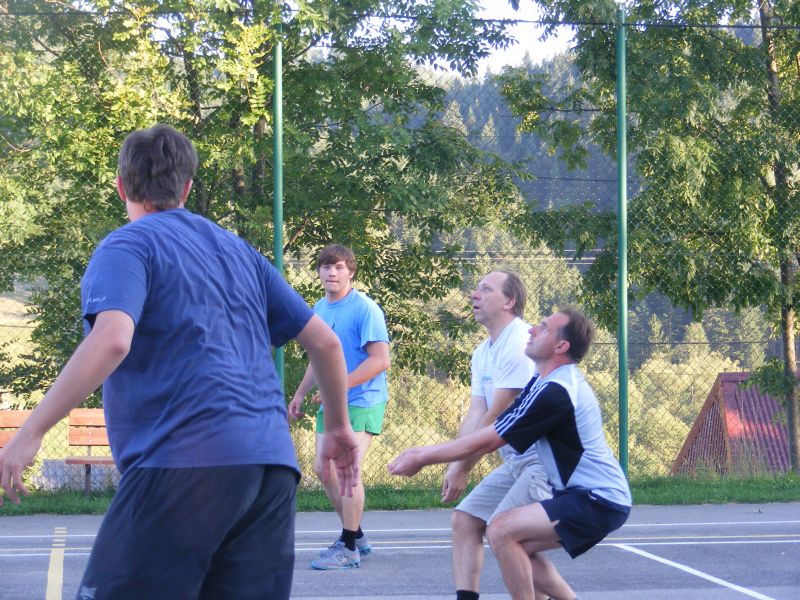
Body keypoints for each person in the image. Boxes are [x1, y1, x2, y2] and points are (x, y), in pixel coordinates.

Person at [0, 124, 360, 600]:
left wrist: (31, 431)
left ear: (121, 186)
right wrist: (338, 427)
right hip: (270, 469)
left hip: (183, 463)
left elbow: (112, 341)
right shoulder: (240, 252)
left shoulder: (128, 245)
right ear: (187, 188)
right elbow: (327, 344)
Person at [389, 307, 631, 600]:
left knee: (501, 530)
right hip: (583, 496)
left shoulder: (557, 391)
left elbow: (490, 440)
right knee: (519, 546)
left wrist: (422, 455)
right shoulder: (542, 381)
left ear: (561, 346)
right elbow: (495, 428)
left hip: (598, 499)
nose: (532, 330)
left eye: (543, 328)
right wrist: (431, 455)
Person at [442, 271, 551, 600]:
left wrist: (463, 467)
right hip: (516, 463)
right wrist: (455, 463)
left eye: (486, 289)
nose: (474, 294)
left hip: (544, 465)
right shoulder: (483, 352)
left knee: (505, 533)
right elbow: (477, 413)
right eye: (476, 288)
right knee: (466, 519)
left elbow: (496, 418)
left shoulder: (519, 343)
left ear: (509, 302)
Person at [288, 244, 390, 570]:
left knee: (346, 469)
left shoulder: (365, 309)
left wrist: (340, 384)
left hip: (363, 400)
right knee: (324, 469)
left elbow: (380, 360)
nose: (332, 272)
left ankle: (348, 547)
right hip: (333, 402)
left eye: (339, 267)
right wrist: (300, 393)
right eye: (326, 266)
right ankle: (356, 535)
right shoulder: (319, 309)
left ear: (351, 272)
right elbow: (318, 357)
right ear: (319, 272)